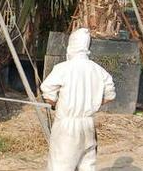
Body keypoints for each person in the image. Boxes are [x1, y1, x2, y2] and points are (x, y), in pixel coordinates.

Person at [40, 28, 116, 171]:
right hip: (88, 123)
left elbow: (47, 91)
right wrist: (92, 106)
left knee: (60, 165)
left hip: (67, 126)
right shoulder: (98, 70)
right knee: (87, 165)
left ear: (71, 46)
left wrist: (55, 103)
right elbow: (110, 96)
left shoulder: (63, 68)